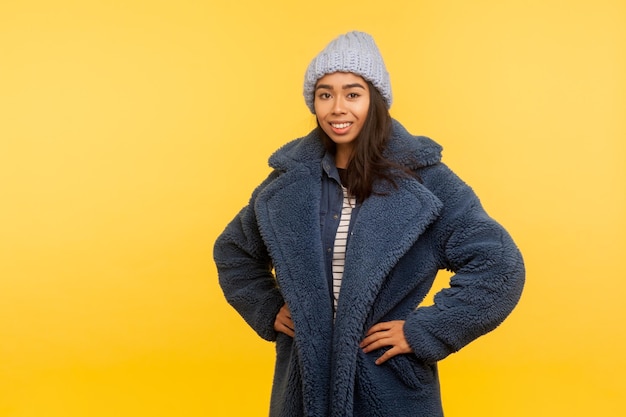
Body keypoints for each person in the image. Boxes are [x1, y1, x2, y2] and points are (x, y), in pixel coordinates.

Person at [213, 31, 525, 417]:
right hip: (303, 385)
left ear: (374, 100)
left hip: (389, 383)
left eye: (352, 94)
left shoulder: (425, 179)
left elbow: (500, 266)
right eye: (325, 94)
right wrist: (267, 306)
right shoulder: (289, 181)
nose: (337, 108)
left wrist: (424, 331)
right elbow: (233, 251)